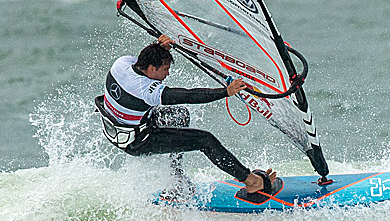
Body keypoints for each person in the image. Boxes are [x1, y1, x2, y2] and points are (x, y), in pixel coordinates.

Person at [96, 34, 279, 197]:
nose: (167, 74)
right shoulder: (146, 90)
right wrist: (226, 92)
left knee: (179, 115)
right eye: (165, 69)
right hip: (137, 141)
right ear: (152, 69)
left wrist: (161, 49)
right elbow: (188, 95)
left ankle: (176, 178)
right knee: (205, 140)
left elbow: (148, 60)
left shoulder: (122, 63)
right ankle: (252, 182)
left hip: (120, 126)